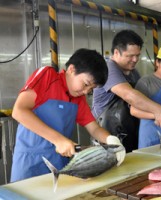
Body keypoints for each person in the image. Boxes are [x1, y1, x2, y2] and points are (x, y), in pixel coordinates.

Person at [10, 48, 125, 182]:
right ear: (71, 69)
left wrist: (111, 140)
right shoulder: (48, 76)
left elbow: (94, 128)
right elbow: (19, 110)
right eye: (86, 84)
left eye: (91, 89)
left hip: (59, 162)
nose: (86, 92)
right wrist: (58, 140)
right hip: (29, 160)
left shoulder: (78, 99)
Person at [92, 30, 161, 152]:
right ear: (116, 52)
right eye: (130, 56)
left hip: (127, 133)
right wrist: (158, 110)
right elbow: (129, 95)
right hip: (107, 137)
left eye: (138, 55)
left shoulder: (134, 73)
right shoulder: (108, 69)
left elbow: (141, 100)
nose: (135, 60)